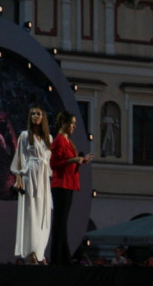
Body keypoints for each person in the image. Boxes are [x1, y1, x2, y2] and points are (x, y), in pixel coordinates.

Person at [9, 106, 53, 264]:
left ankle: (40, 250)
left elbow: (50, 163)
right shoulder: (25, 136)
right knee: (30, 213)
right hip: (30, 176)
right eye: (33, 114)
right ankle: (31, 252)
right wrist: (18, 177)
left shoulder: (49, 139)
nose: (35, 116)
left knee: (43, 214)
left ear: (43, 117)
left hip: (43, 180)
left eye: (38, 113)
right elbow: (20, 157)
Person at [49, 110, 92, 265]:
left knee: (62, 222)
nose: (74, 126)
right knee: (60, 222)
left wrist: (80, 160)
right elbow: (54, 164)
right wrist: (73, 159)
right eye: (72, 123)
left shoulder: (67, 141)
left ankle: (63, 257)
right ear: (64, 123)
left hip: (67, 184)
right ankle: (58, 258)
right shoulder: (59, 141)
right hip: (61, 184)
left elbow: (67, 162)